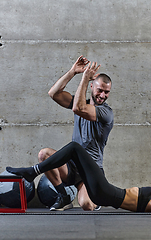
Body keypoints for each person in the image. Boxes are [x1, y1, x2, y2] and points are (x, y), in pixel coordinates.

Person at [7, 142, 151, 214]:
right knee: (75, 153)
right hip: (106, 192)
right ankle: (37, 172)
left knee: (75, 148)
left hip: (106, 193)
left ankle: (32, 171)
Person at [38, 56, 113, 211]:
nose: (103, 95)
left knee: (86, 204)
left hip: (91, 168)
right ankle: (63, 196)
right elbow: (53, 93)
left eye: (107, 92)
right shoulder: (79, 102)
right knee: (44, 155)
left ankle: (97, 196)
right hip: (71, 166)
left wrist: (85, 79)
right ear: (92, 87)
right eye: (100, 90)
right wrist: (73, 72)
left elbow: (78, 109)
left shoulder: (106, 113)